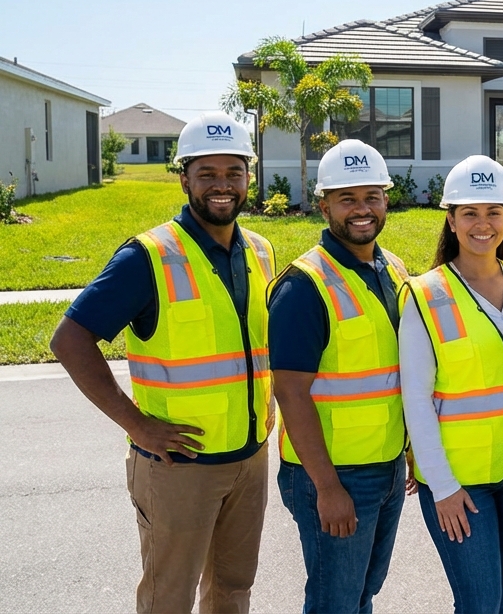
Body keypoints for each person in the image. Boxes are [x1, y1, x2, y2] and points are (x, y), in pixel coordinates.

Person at [50, 112, 274, 614]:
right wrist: (137, 425)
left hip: (248, 458)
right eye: (208, 174)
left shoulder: (260, 251)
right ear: (184, 178)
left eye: (234, 173)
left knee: (233, 590)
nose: (223, 186)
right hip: (178, 468)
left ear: (248, 179)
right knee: (167, 599)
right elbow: (70, 339)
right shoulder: (148, 256)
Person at [399, 155, 503, 613]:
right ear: (450, 220)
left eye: (493, 212)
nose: (482, 224)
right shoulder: (425, 294)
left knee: (499, 599)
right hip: (459, 483)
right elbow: (416, 400)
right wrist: (443, 487)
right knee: (481, 603)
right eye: (469, 212)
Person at [268, 140, 410, 614]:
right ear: (323, 204)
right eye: (347, 199)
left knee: (360, 593)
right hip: (333, 475)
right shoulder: (304, 285)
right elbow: (290, 392)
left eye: (372, 196)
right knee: (335, 602)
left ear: (387, 200)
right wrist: (327, 488)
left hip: (386, 465)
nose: (362, 210)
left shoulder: (392, 268)